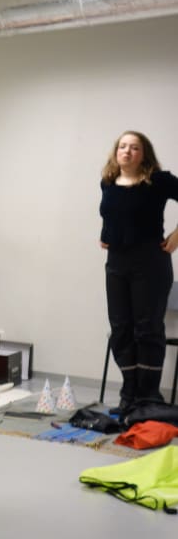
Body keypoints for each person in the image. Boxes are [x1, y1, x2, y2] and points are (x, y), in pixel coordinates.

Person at [99, 130, 178, 415]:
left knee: (147, 329)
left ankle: (148, 398)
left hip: (150, 263)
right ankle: (129, 392)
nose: (127, 151)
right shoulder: (108, 182)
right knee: (121, 329)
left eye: (134, 147)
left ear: (144, 154)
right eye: (122, 146)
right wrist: (106, 234)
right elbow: (114, 215)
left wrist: (176, 236)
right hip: (117, 264)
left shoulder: (158, 181)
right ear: (115, 151)